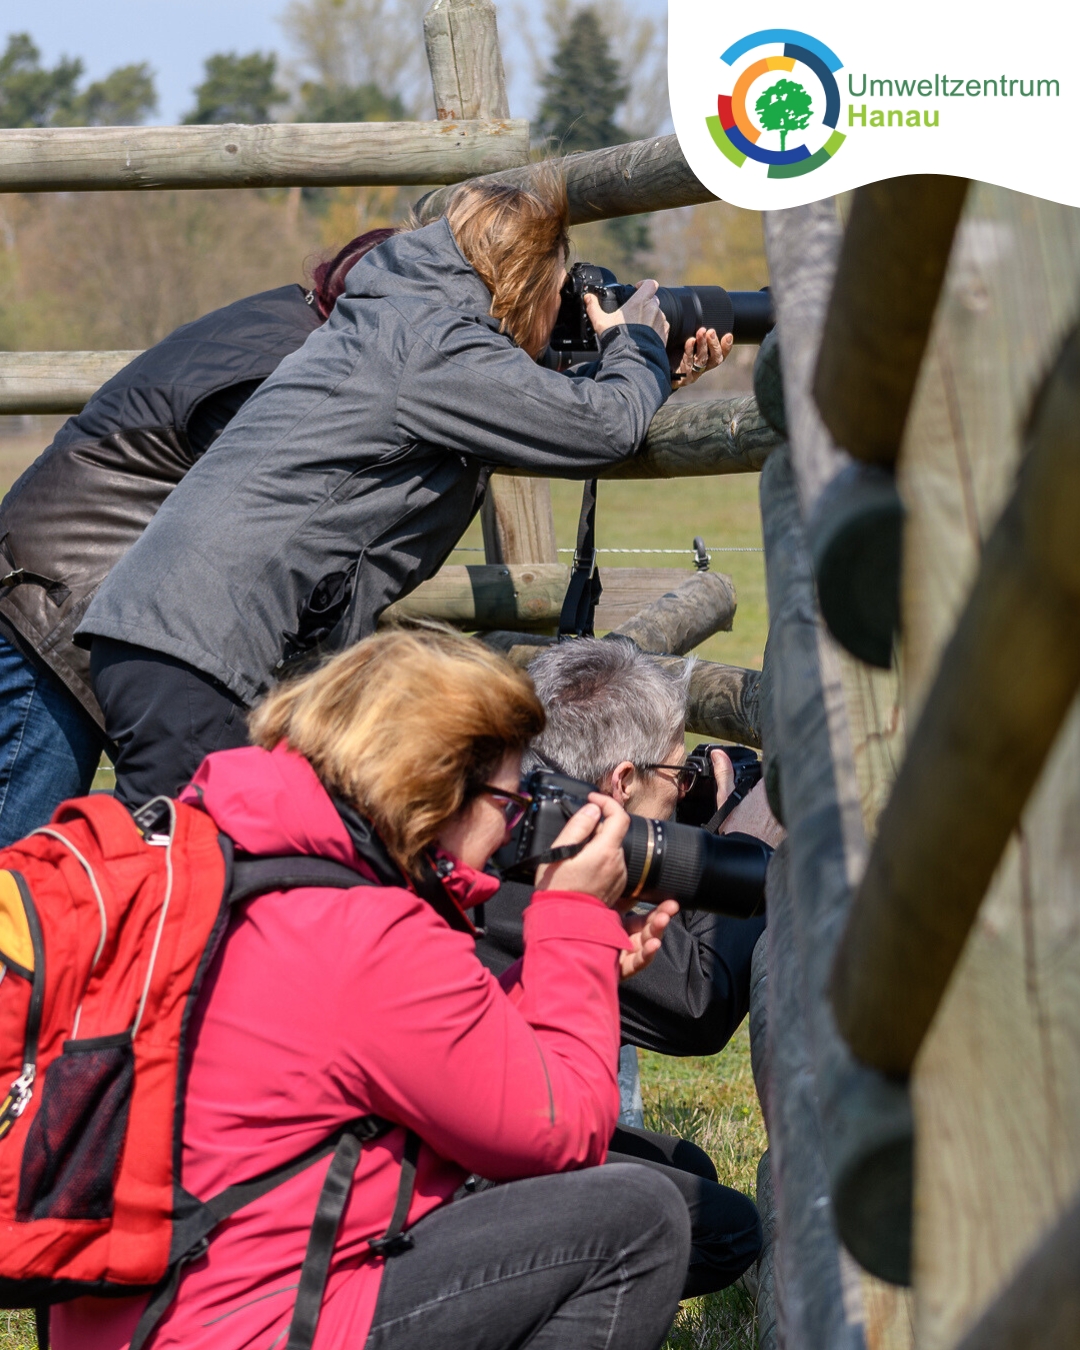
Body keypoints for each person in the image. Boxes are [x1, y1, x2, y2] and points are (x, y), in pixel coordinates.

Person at [51, 627, 690, 1350]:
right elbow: (564, 1131)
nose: (515, 827)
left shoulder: (239, 850)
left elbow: (422, 1053)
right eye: (508, 800)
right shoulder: (363, 928)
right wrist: (572, 919)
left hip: (139, 1313)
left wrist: (564, 969)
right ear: (440, 786)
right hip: (235, 1328)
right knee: (635, 1220)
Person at [76, 170, 731, 810]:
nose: (559, 312)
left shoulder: (405, 315)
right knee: (187, 884)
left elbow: (541, 411)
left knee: (214, 866)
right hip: (202, 647)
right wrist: (636, 338)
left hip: (176, 633)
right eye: (555, 294)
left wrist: (645, 378)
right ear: (526, 280)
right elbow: (601, 428)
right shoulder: (434, 344)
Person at [0, 228, 397, 846]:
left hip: (46, 577)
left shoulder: (280, 321)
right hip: (53, 608)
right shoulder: (294, 365)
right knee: (15, 853)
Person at [474, 637, 782, 1299]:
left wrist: (692, 825)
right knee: (719, 1227)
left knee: (686, 1165)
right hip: (450, 1174)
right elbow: (700, 1002)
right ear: (619, 781)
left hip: (487, 1122)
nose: (682, 793)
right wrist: (742, 839)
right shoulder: (546, 876)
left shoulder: (516, 824)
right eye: (675, 777)